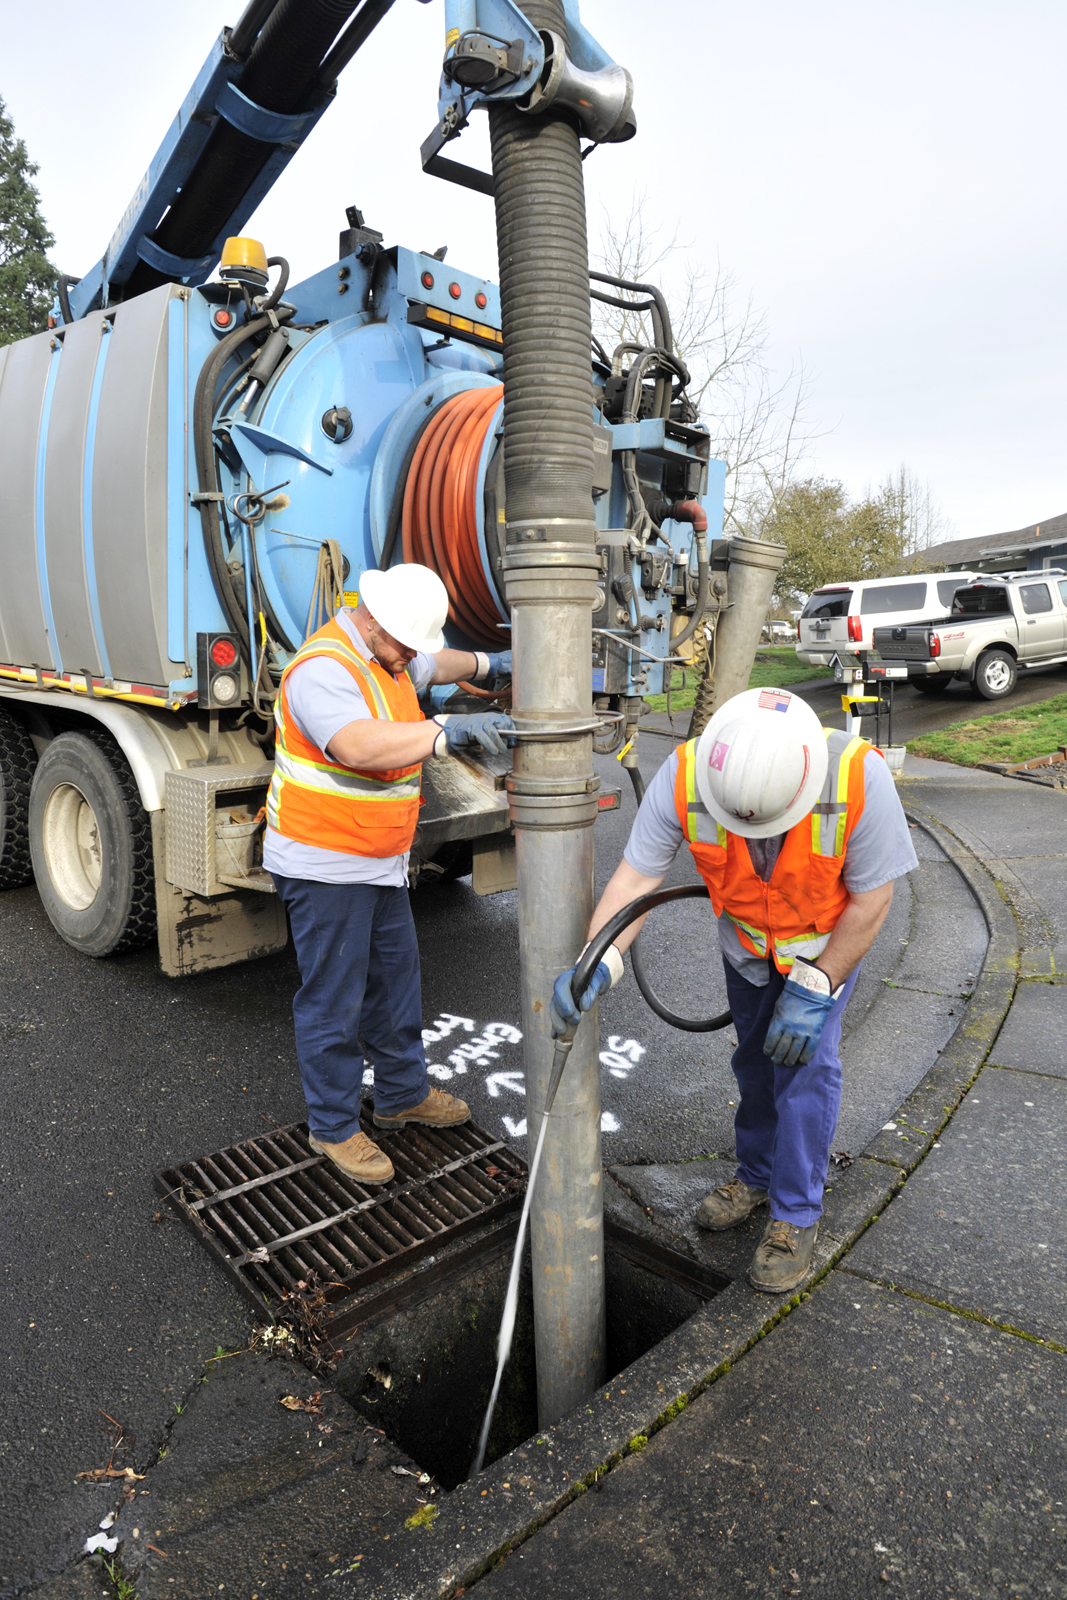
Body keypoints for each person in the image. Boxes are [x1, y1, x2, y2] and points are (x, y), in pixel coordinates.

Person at [550, 686, 918, 1294]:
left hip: (823, 948)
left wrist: (820, 981)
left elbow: (874, 897)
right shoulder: (688, 773)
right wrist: (598, 959)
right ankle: (757, 1173)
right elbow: (639, 875)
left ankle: (795, 1213)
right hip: (746, 948)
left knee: (804, 1070)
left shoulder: (858, 776)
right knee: (753, 1064)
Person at [265, 563, 514, 1187]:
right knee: (334, 1000)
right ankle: (334, 1126)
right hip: (325, 863)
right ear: (371, 618)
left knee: (396, 982)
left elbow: (440, 664)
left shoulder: (391, 654)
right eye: (406, 643)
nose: (413, 657)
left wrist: (494, 664)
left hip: (378, 861)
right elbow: (357, 746)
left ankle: (401, 1094)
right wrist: (443, 732)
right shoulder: (323, 668)